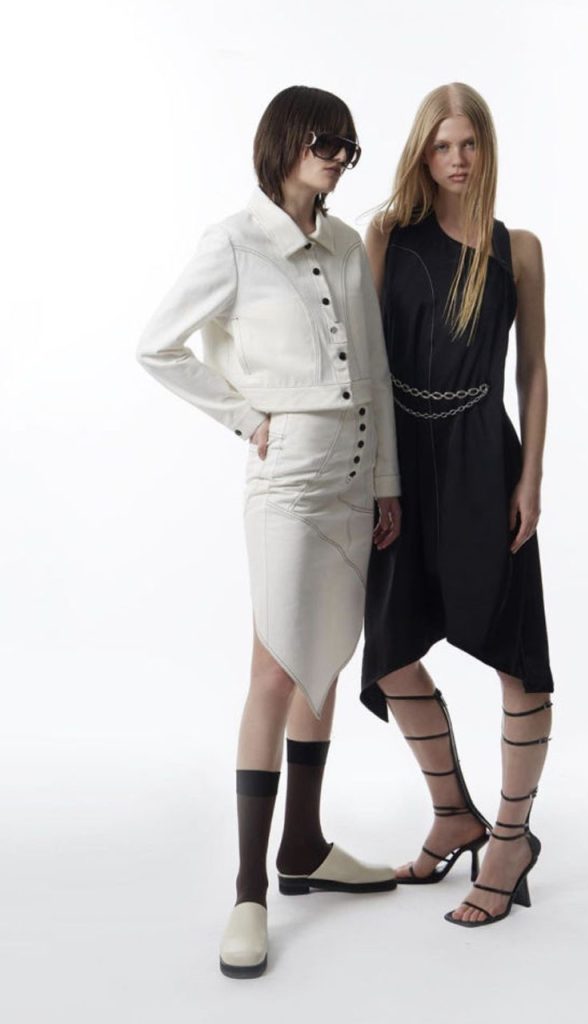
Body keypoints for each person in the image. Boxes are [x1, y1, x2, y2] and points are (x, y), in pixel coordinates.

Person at [137, 85, 402, 977]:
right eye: (327, 142)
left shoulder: (348, 245)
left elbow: (375, 372)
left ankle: (304, 845)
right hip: (286, 484)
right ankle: (249, 889)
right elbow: (157, 345)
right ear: (285, 141)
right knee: (276, 668)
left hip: (354, 481)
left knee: (324, 662)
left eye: (349, 148)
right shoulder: (232, 243)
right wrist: (246, 416)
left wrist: (387, 483)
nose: (339, 159)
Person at [360, 82, 554, 927]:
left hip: (483, 459)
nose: (457, 159)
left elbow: (533, 371)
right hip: (404, 461)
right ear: (422, 152)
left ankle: (508, 840)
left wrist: (529, 479)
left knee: (514, 652)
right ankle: (452, 814)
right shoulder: (387, 236)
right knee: (389, 649)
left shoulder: (519, 250)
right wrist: (372, 477)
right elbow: (368, 366)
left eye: (469, 143)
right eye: (442, 145)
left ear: (486, 148)